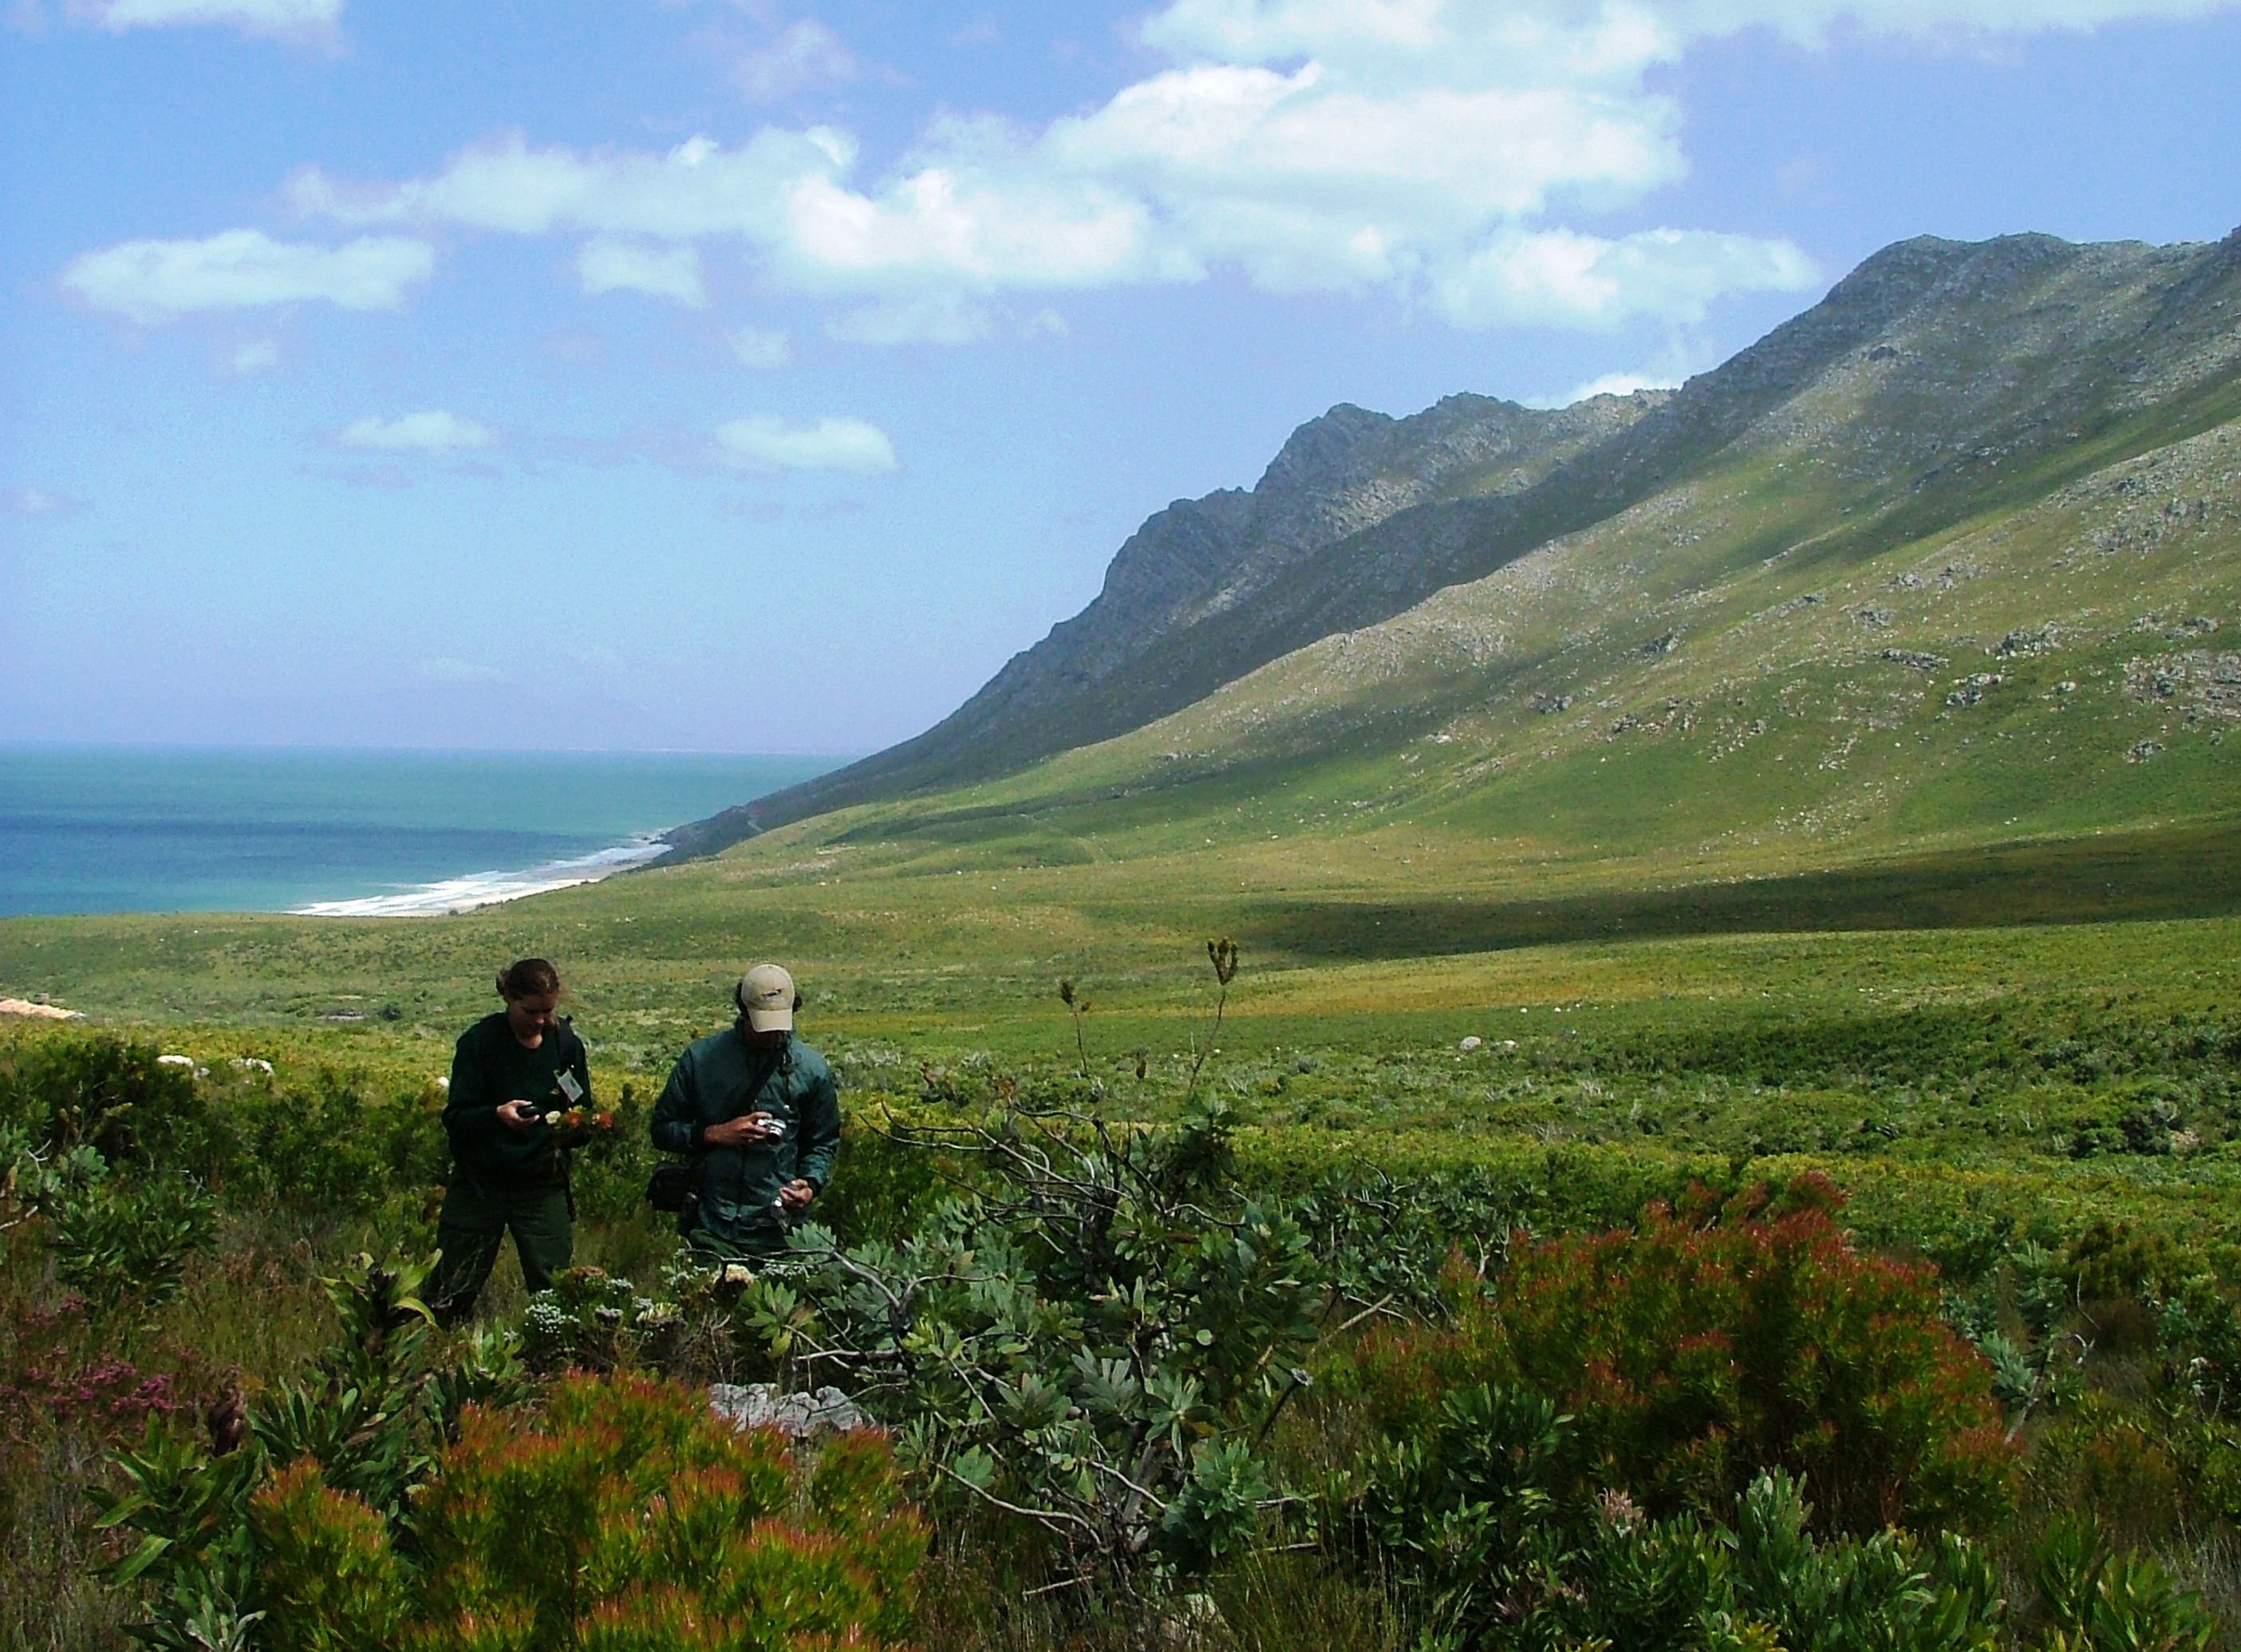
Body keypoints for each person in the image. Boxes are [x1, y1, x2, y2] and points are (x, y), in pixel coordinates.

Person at [429, 957, 590, 1324]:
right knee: (453, 1283)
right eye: (531, 1011)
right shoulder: (478, 1044)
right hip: (480, 1185)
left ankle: (555, 1361)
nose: (541, 1021)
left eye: (548, 1012)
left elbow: (582, 1108)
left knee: (554, 1289)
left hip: (541, 1183)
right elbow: (456, 1118)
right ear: (509, 999)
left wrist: (573, 1127)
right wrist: (495, 1115)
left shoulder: (565, 1044)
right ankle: (439, 1351)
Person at [649, 964, 839, 1259]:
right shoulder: (701, 1061)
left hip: (782, 1233)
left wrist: (810, 1185)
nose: (771, 1034)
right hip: (714, 1224)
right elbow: (662, 1129)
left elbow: (822, 1142)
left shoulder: (811, 1069)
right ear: (744, 1010)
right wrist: (715, 1134)